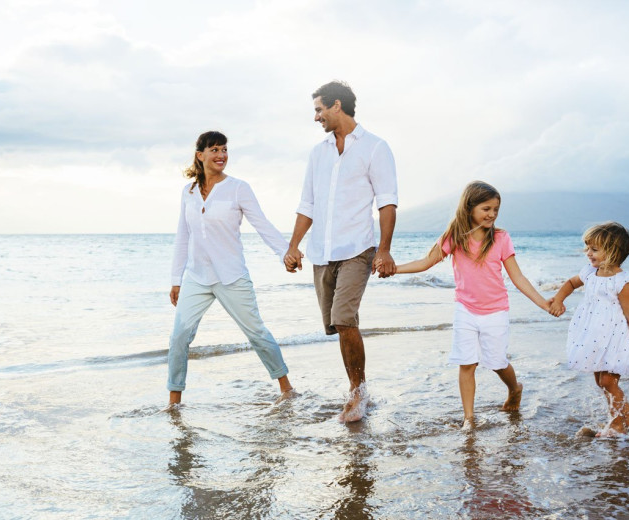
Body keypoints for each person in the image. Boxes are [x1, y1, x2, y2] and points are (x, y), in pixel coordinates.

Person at [378, 181, 552, 428]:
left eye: (495, 210)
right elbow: (426, 262)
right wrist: (394, 270)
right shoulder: (455, 237)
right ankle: (469, 418)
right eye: (486, 208)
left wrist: (544, 303)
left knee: (497, 362)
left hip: (496, 311)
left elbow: (518, 277)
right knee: (467, 363)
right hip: (465, 310)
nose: (491, 214)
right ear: (469, 208)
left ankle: (515, 388)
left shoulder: (501, 238)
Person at [284, 80, 398, 423]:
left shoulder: (375, 148)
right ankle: (356, 385)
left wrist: (385, 250)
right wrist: (293, 246)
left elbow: (387, 202)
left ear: (337, 106)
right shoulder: (317, 153)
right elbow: (308, 204)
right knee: (335, 325)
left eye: (319, 109)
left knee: (344, 318)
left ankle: (358, 392)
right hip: (322, 252)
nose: (316, 117)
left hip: (357, 248)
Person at [167, 130, 294, 407]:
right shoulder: (188, 192)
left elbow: (261, 223)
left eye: (224, 150)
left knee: (256, 333)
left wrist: (285, 252)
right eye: (214, 150)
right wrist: (176, 279)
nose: (221, 155)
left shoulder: (238, 188)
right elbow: (183, 236)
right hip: (197, 277)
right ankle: (174, 401)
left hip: (231, 275)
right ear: (200, 156)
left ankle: (286, 387)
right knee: (178, 337)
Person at [549, 222, 629, 437]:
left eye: (594, 249)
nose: (588, 253)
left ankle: (618, 422)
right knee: (601, 381)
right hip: (593, 336)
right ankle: (625, 413)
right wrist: (558, 301)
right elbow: (570, 283)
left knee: (608, 381)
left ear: (613, 251)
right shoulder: (590, 272)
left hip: (614, 338)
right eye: (587, 248)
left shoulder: (623, 281)